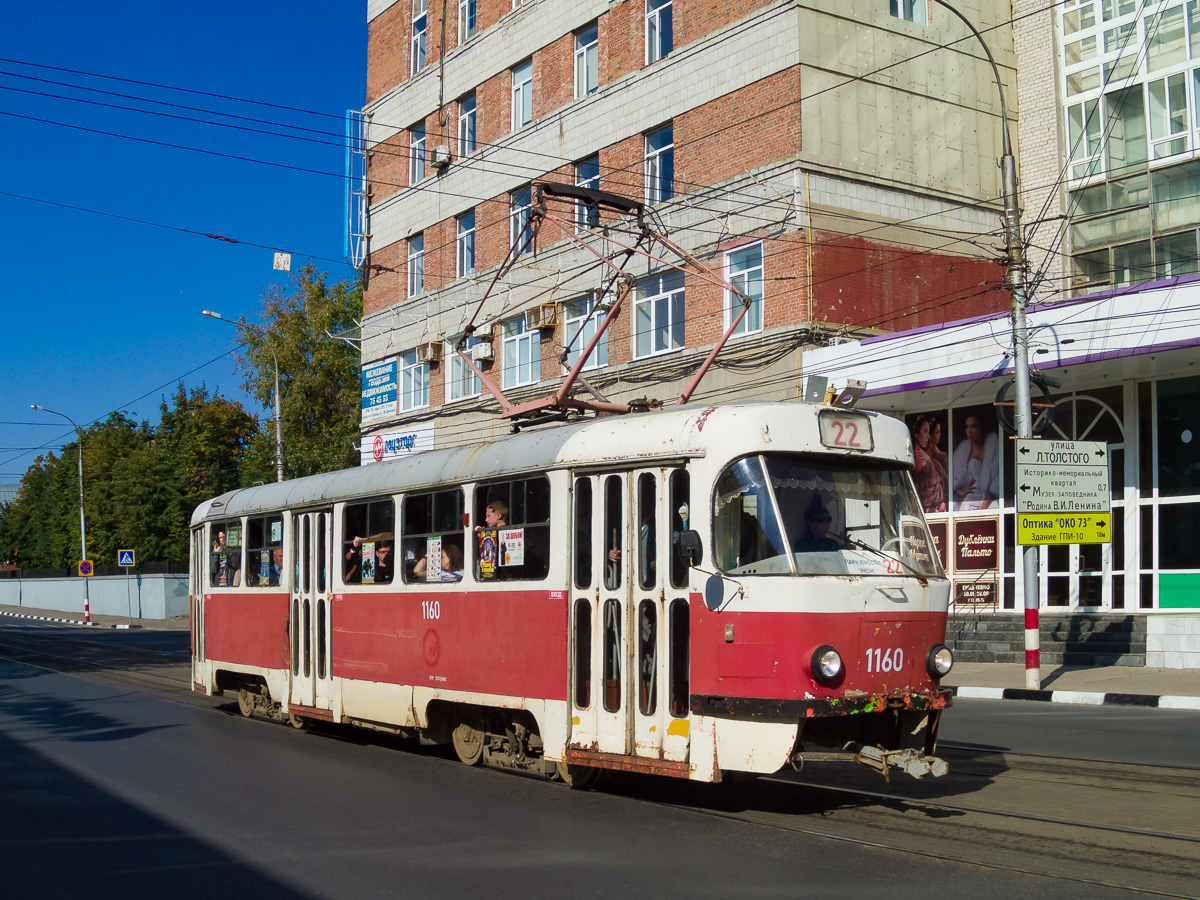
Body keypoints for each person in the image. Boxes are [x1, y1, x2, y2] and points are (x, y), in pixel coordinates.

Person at [953, 413, 999, 510]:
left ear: (980, 427)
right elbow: (953, 478)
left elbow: (997, 481)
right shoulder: (962, 450)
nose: (969, 431)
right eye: (967, 427)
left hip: (990, 501)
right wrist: (963, 492)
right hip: (971, 500)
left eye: (973, 426)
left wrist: (983, 506)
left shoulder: (993, 444)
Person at [912, 415, 948, 513]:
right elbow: (926, 492)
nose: (928, 436)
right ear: (916, 434)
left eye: (928, 432)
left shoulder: (928, 458)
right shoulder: (922, 462)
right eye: (925, 432)